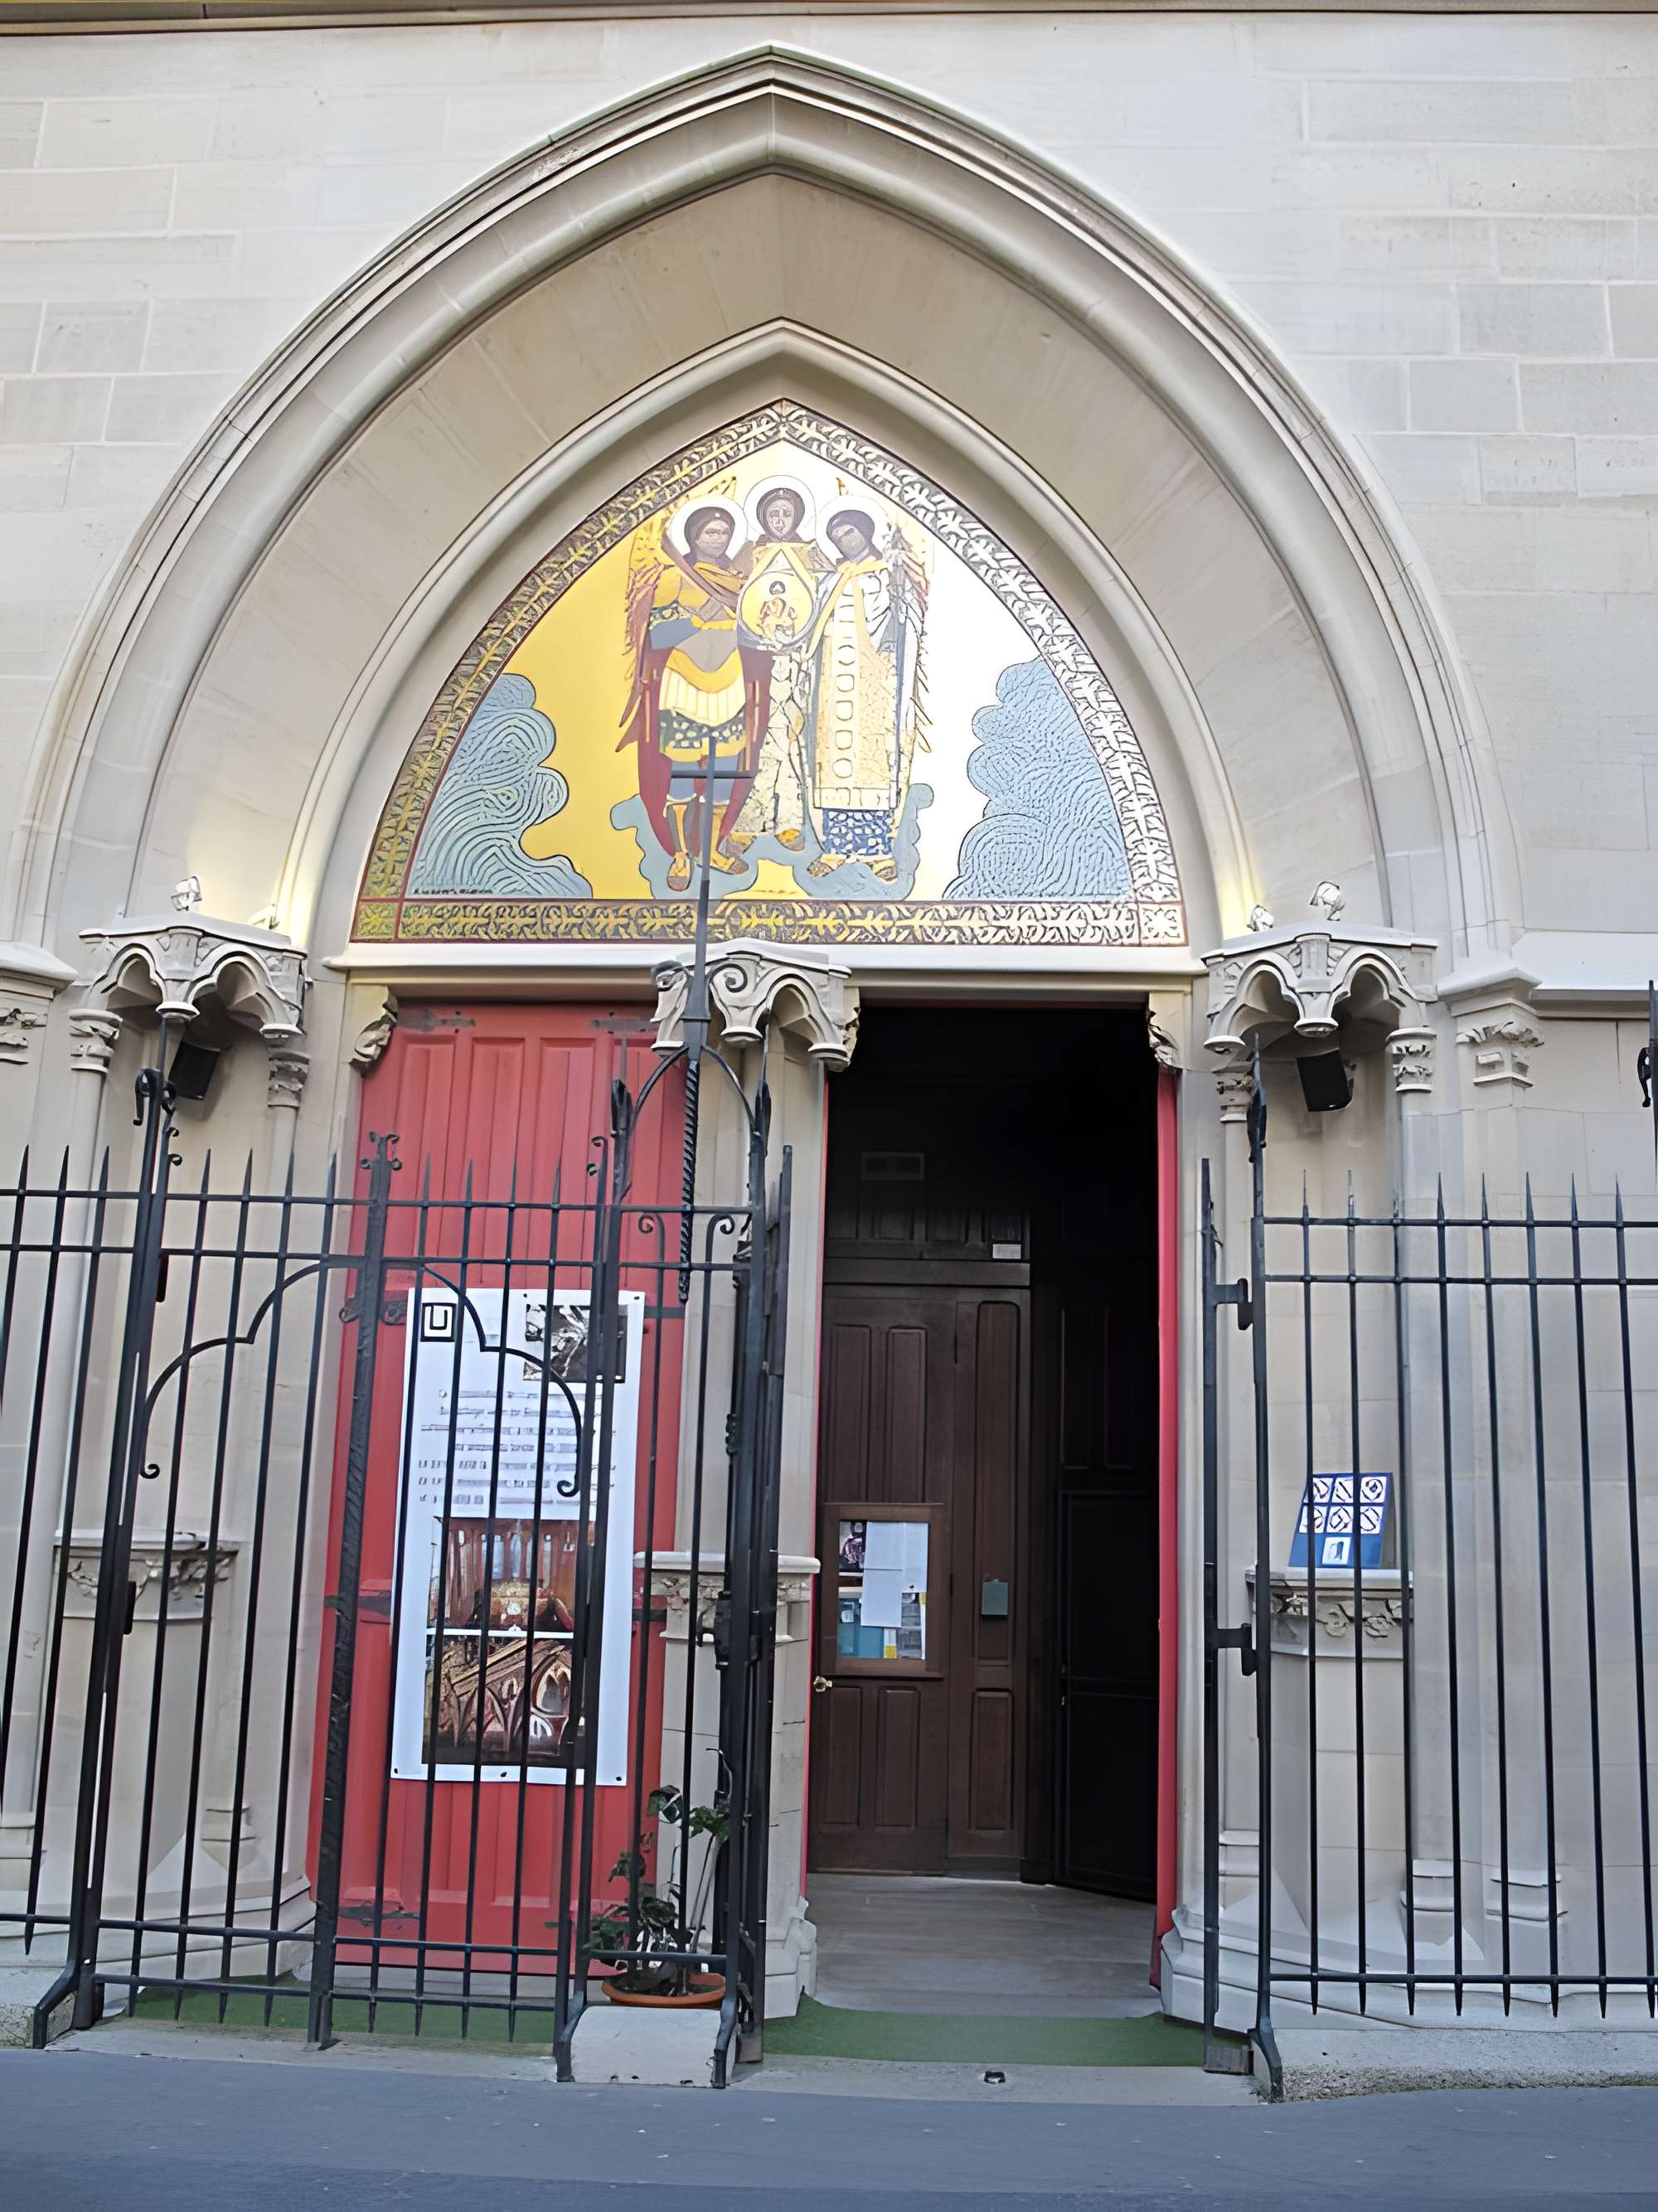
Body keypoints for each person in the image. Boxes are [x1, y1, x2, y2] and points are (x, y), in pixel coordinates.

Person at [618, 499, 764, 891]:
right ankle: (681, 854)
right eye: (710, 532)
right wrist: (697, 620)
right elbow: (656, 635)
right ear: (694, 536)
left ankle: (713, 848)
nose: (718, 539)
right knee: (683, 774)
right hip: (685, 683)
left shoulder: (738, 581)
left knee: (724, 770)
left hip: (730, 683)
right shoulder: (676, 578)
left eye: (724, 533)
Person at [803, 507, 928, 884]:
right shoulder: (830, 581)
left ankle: (877, 851)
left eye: (850, 532)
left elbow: (909, 621)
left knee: (872, 763)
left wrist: (900, 583)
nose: (845, 541)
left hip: (876, 684)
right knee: (834, 760)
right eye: (838, 536)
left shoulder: (888, 574)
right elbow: (810, 630)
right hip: (832, 686)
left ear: (867, 533)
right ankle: (835, 847)